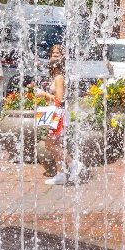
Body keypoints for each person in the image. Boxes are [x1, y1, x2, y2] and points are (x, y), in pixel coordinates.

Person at [36, 45, 83, 185]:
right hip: (56, 113)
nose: (52, 58)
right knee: (55, 144)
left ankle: (73, 163)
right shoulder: (56, 77)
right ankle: (61, 174)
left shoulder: (59, 78)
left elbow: (60, 99)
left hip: (58, 114)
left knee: (50, 144)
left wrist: (44, 94)